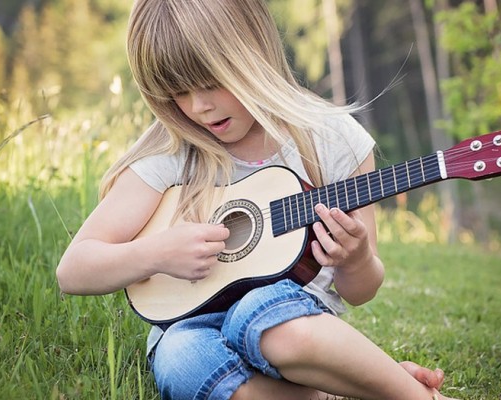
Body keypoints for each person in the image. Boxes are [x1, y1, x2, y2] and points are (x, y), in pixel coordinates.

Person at [56, 0, 459, 399]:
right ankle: (344, 392)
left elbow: (360, 291)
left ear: (252, 54)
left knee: (260, 313)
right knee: (178, 358)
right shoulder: (171, 151)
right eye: (178, 92)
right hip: (191, 326)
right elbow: (73, 270)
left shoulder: (332, 138)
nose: (200, 107)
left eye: (211, 82)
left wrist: (356, 259)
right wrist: (156, 253)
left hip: (292, 323)